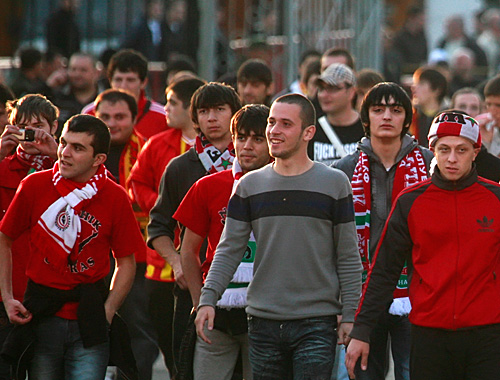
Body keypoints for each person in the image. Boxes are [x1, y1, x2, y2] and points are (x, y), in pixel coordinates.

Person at [195, 93, 362, 379]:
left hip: (317, 322)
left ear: (308, 132)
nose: (274, 130)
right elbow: (229, 249)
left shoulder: (335, 183)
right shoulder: (249, 186)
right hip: (262, 321)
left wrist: (349, 316)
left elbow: (347, 256)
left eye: (286, 124)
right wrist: (208, 299)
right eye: (272, 122)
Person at [346, 111, 500, 380]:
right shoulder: (411, 201)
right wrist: (362, 330)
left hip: (487, 336)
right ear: (433, 150)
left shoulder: (495, 199)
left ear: (475, 152)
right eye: (444, 149)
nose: (452, 158)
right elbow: (384, 270)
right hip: (429, 336)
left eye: (461, 150)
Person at [0, 114, 144, 379]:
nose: (64, 153)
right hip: (41, 314)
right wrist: (8, 297)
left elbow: (126, 262)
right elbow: (4, 238)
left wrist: (108, 311)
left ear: (98, 159)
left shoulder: (114, 196)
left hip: (90, 317)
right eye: (63, 143)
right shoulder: (34, 185)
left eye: (78, 148)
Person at [334, 82, 433, 380]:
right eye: (378, 110)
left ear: (407, 117)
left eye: (396, 109)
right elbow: (334, 239)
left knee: (411, 372)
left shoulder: (430, 164)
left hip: (416, 288)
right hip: (362, 290)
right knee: (364, 374)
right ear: (366, 118)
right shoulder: (345, 169)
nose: (387, 116)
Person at [147, 82, 241, 375]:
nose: (212, 118)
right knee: (187, 367)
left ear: (234, 114)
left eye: (220, 110)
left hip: (244, 286)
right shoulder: (180, 167)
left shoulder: (253, 163)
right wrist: (178, 264)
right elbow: (158, 227)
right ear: (195, 118)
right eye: (204, 111)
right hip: (193, 286)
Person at [174, 104, 270, 380]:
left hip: (265, 311)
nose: (247, 146)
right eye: (241, 137)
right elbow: (188, 251)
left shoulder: (285, 187)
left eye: (257, 138)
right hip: (217, 309)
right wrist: (200, 301)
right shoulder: (208, 186)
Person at [127, 77, 205, 377]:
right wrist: (163, 207)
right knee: (167, 338)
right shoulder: (158, 143)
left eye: (172, 102)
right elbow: (137, 182)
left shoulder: (222, 151)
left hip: (204, 260)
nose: (166, 108)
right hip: (162, 262)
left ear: (190, 108)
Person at [94, 89, 159, 380]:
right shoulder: (77, 153)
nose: (111, 124)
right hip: (89, 255)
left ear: (135, 119)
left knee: (137, 329)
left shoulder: (150, 152)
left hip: (136, 256)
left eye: (120, 117)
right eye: (104, 117)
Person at [0, 94, 59, 380]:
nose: (30, 134)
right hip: (7, 294)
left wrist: (58, 154)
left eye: (37, 126)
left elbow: (105, 192)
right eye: (22, 127)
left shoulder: (67, 170)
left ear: (55, 127)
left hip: (54, 296)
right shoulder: (3, 167)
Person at [82, 49, 168, 139]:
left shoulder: (163, 117)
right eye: (118, 80)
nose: (123, 86)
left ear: (144, 82)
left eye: (130, 80)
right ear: (110, 81)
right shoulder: (90, 113)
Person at [309, 63, 364, 165]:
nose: (324, 95)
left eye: (332, 88)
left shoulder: (367, 129)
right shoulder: (312, 130)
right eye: (321, 88)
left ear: (351, 92)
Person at [52, 52, 102, 132]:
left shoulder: (104, 99)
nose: (77, 74)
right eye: (73, 69)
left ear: (96, 73)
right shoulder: (57, 98)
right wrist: (47, 86)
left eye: (83, 70)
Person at [410, 66, 448, 148]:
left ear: (437, 89)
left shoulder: (449, 118)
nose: (414, 88)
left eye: (421, 83)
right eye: (414, 83)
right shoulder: (409, 117)